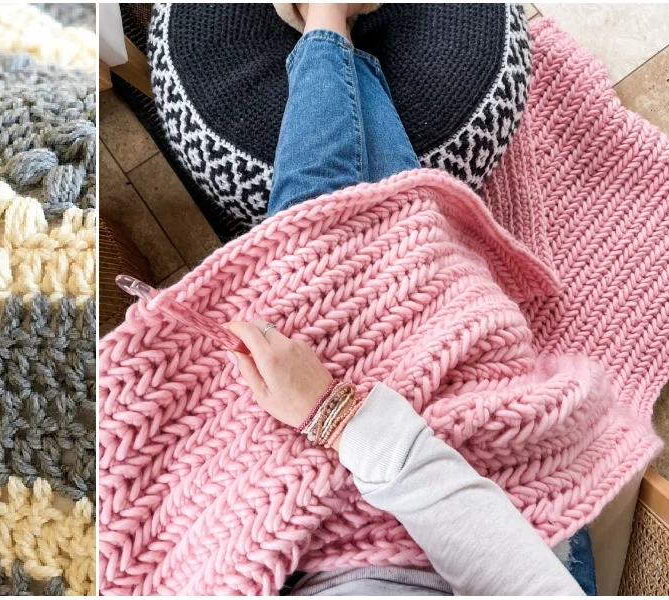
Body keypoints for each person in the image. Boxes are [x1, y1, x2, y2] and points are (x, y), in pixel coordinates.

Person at [225, 4, 590, 596]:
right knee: (358, 252)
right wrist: (332, 414)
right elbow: (515, 570)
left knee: (338, 250)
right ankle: (330, 21)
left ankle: (331, 26)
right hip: (499, 516)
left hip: (303, 536)